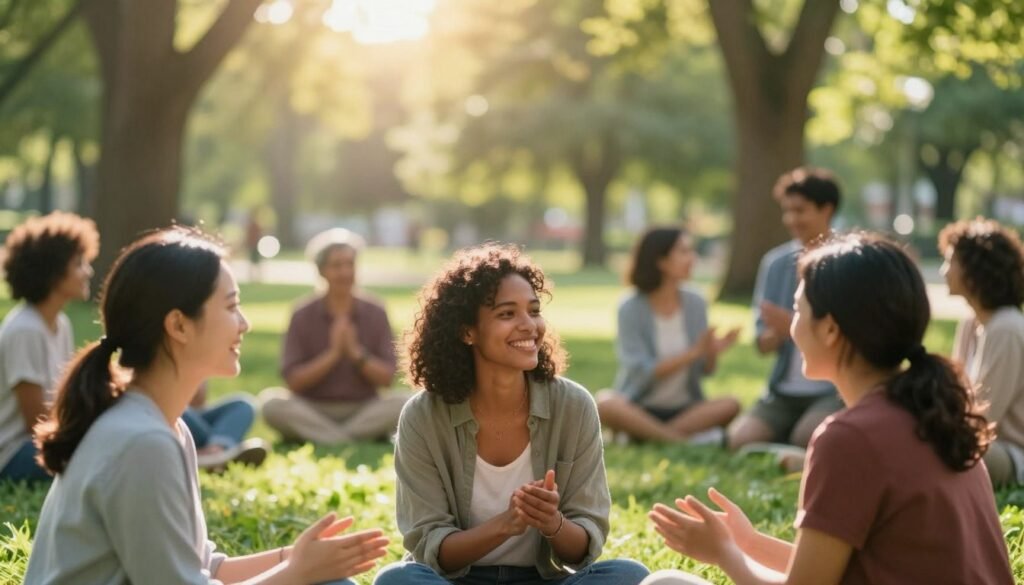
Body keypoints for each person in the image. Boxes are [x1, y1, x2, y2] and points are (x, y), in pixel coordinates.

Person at [641, 233, 1013, 585]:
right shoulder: (936, 410)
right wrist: (748, 543)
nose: (792, 329)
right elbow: (838, 571)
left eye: (798, 311)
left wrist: (723, 553)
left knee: (665, 583)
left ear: (831, 330)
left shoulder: (849, 437)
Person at [24, 226, 389, 584]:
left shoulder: (169, 428)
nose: (244, 324)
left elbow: (206, 568)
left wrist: (294, 558)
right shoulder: (141, 442)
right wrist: (295, 574)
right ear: (179, 326)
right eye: (231, 306)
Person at [373, 244, 649, 585]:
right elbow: (431, 549)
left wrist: (552, 523)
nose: (528, 325)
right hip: (458, 581)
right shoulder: (424, 415)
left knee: (630, 576)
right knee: (397, 580)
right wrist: (505, 524)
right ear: (467, 331)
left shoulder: (573, 406)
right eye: (507, 314)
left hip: (542, 579)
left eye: (533, 311)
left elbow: (582, 552)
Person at [728, 168, 843, 451]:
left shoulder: (848, 260)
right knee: (739, 440)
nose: (791, 219)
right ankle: (788, 438)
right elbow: (762, 345)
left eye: (800, 211)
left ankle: (799, 438)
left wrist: (793, 325)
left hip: (831, 389)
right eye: (787, 211)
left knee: (806, 437)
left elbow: (853, 336)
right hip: (782, 392)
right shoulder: (776, 263)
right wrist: (773, 334)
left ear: (826, 209)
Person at [260, 228, 407, 445]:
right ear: (321, 271)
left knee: (407, 402)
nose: (345, 272)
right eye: (337, 265)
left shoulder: (376, 311)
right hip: (312, 408)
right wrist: (333, 354)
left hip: (365, 408)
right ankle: (347, 438)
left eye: (350, 264)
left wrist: (356, 353)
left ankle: (327, 438)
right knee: (270, 404)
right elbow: (293, 382)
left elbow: (387, 379)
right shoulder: (302, 314)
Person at [596, 227, 740, 443]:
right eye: (683, 252)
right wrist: (694, 353)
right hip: (640, 406)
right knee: (605, 402)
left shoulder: (696, 302)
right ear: (661, 261)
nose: (692, 258)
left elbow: (705, 371)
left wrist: (710, 353)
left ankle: (646, 435)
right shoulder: (630, 307)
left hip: (685, 410)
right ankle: (680, 440)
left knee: (732, 404)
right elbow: (641, 371)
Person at [0, 211, 98, 482]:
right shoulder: (25, 329)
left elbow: (62, 400)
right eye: (79, 263)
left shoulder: (59, 323)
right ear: (54, 273)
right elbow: (36, 422)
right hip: (13, 455)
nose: (88, 271)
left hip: (44, 442)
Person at [941, 218, 1024, 487]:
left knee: (937, 446)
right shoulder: (971, 323)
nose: (944, 271)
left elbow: (983, 417)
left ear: (974, 270)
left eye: (950, 261)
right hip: (975, 439)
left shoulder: (1006, 328)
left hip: (1010, 454)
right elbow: (956, 394)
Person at [183, 382, 267, 470]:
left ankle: (213, 451)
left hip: (195, 417)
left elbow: (199, 402)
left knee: (244, 405)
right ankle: (217, 453)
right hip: (177, 416)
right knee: (179, 410)